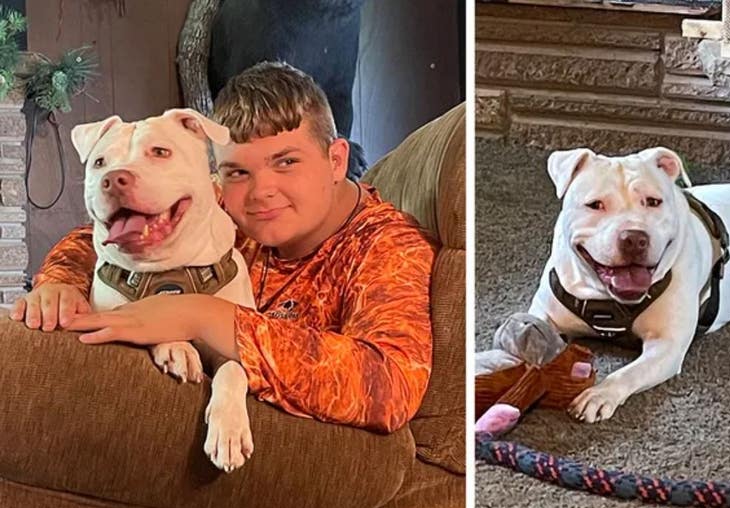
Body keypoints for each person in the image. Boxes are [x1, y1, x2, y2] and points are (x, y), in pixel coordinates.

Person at [9, 61, 436, 434]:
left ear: (336, 160)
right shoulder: (222, 205)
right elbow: (95, 236)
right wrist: (60, 283)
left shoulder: (386, 245)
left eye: (286, 162)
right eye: (236, 172)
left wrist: (202, 317)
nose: (260, 191)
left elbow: (389, 387)